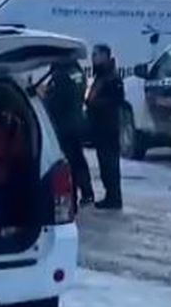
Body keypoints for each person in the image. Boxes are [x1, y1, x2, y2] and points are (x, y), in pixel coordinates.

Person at [43, 60, 93, 205]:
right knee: (78, 159)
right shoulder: (77, 71)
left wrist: (45, 98)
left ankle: (72, 196)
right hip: (77, 122)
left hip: (64, 125)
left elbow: (53, 101)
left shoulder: (60, 75)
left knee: (68, 163)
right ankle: (87, 192)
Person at [85, 44, 125, 210]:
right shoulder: (101, 76)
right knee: (104, 164)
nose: (93, 58)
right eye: (93, 55)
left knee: (110, 165)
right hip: (100, 127)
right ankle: (110, 195)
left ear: (105, 56)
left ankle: (114, 197)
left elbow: (117, 101)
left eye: (96, 55)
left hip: (109, 128)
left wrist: (95, 104)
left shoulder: (112, 77)